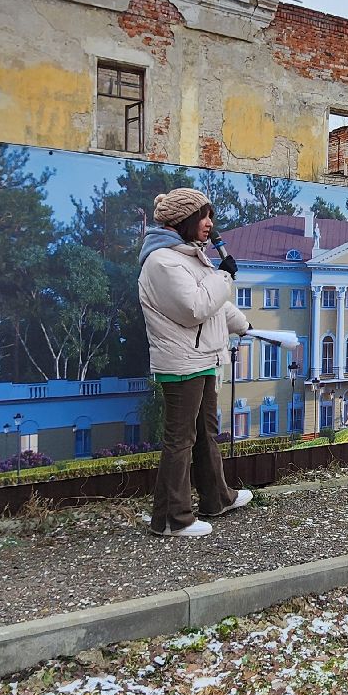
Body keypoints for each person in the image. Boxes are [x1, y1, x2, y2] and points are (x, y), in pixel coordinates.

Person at [139, 187, 254, 538]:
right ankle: (173, 518)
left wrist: (242, 324)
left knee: (206, 433)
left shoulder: (190, 256)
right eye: (202, 216)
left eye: (210, 216)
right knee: (180, 440)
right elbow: (194, 308)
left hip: (203, 358)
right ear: (182, 221)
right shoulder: (161, 262)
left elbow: (213, 305)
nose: (210, 224)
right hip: (181, 362)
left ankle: (216, 497)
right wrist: (225, 276)